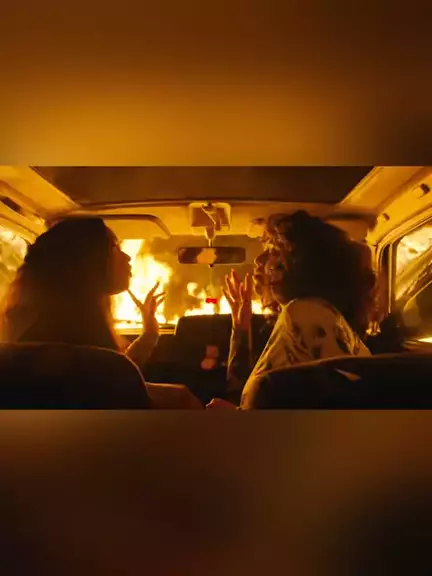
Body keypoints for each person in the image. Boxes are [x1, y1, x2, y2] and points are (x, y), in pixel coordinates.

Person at [0, 217, 203, 409]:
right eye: (115, 247)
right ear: (87, 261)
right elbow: (108, 378)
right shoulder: (93, 358)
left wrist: (149, 335)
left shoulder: (29, 344)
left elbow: (103, 379)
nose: (127, 257)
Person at [209, 211, 377, 409]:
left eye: (274, 250)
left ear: (303, 263)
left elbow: (334, 415)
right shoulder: (313, 318)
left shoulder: (307, 314)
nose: (259, 260)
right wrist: (241, 328)